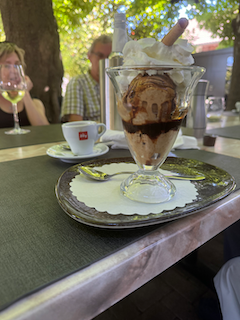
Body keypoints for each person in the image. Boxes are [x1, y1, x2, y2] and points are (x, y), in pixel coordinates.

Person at [61, 35, 112, 123]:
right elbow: (76, 126)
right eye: (100, 56)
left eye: (109, 57)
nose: (105, 61)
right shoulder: (77, 83)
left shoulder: (119, 85)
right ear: (89, 56)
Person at [0, 41, 49, 128]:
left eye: (17, 65)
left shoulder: (35, 102)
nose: (14, 71)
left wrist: (24, 91)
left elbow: (45, 132)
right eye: (7, 65)